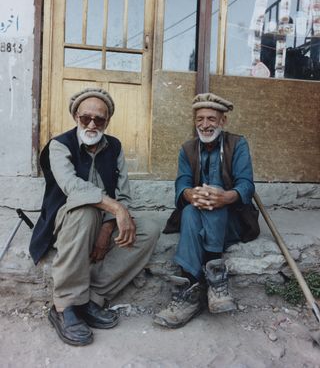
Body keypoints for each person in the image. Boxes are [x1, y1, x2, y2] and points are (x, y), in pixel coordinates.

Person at [30, 88, 160, 346]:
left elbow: (124, 193)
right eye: (85, 118)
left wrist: (110, 225)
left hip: (102, 221)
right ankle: (64, 306)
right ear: (76, 116)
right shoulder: (59, 145)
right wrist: (117, 210)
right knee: (87, 210)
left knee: (148, 228)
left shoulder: (115, 146)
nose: (92, 124)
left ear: (107, 121)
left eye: (99, 119)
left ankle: (92, 297)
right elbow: (72, 187)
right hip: (67, 220)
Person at [153, 92, 259, 329]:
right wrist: (190, 194)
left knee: (214, 199)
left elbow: (246, 184)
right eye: (200, 119)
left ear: (223, 121)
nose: (205, 124)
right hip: (196, 214)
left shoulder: (238, 144)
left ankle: (196, 287)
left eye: (211, 118)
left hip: (232, 220)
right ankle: (210, 281)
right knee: (190, 211)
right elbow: (182, 183)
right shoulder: (188, 149)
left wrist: (225, 197)